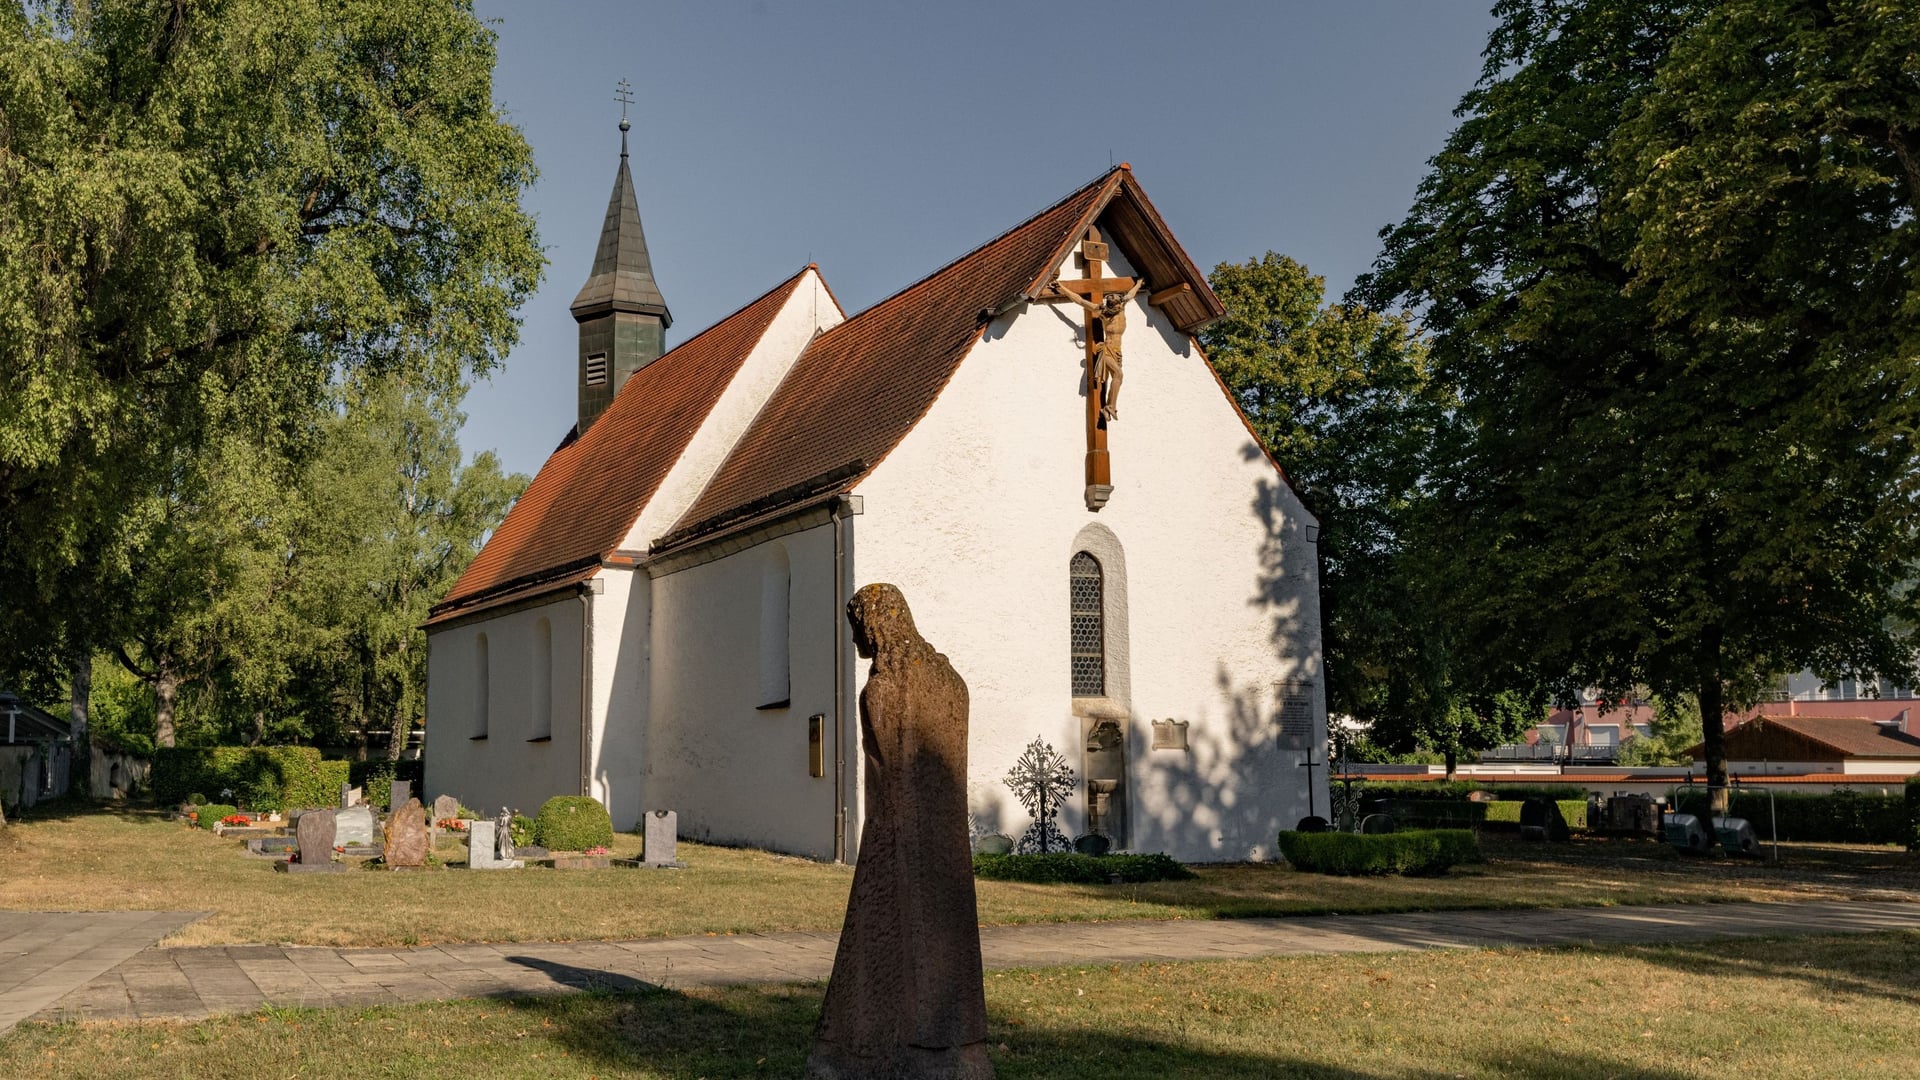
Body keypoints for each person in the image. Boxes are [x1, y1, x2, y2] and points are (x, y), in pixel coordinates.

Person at [808, 584, 992, 1080]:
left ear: (873, 626)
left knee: (881, 951)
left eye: (856, 632)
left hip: (894, 840)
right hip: (947, 848)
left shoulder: (882, 689)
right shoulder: (950, 679)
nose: (855, 644)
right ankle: (959, 1050)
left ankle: (863, 1053)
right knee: (945, 944)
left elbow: (887, 768)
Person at [1049, 276, 1144, 421]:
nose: (1111, 296)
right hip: (1106, 350)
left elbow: (1131, 294)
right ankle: (1110, 407)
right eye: (1109, 296)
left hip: (1118, 352)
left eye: (1113, 295)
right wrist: (1061, 287)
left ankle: (1107, 407)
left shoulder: (1122, 308)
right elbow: (1080, 300)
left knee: (1117, 377)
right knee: (1119, 374)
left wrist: (1138, 283)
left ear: (1119, 300)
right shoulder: (1102, 312)